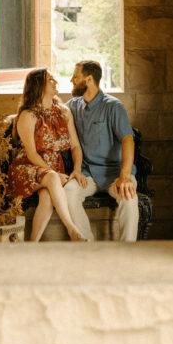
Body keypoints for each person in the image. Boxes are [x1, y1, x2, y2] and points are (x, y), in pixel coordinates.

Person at [6, 68, 90, 242]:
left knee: (47, 196)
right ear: (39, 85)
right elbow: (31, 153)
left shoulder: (64, 112)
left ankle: (32, 244)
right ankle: (72, 230)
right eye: (50, 79)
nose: (56, 82)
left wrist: (77, 169)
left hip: (51, 171)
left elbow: (75, 145)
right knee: (51, 178)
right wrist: (53, 172)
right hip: (27, 167)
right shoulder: (28, 115)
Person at [64, 60, 139, 241]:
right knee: (69, 192)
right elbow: (46, 111)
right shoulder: (73, 106)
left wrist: (126, 176)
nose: (71, 80)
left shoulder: (113, 106)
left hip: (115, 173)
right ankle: (87, 245)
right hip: (87, 174)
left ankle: (127, 250)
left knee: (129, 198)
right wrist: (13, 117)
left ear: (89, 79)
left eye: (76, 76)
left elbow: (128, 140)